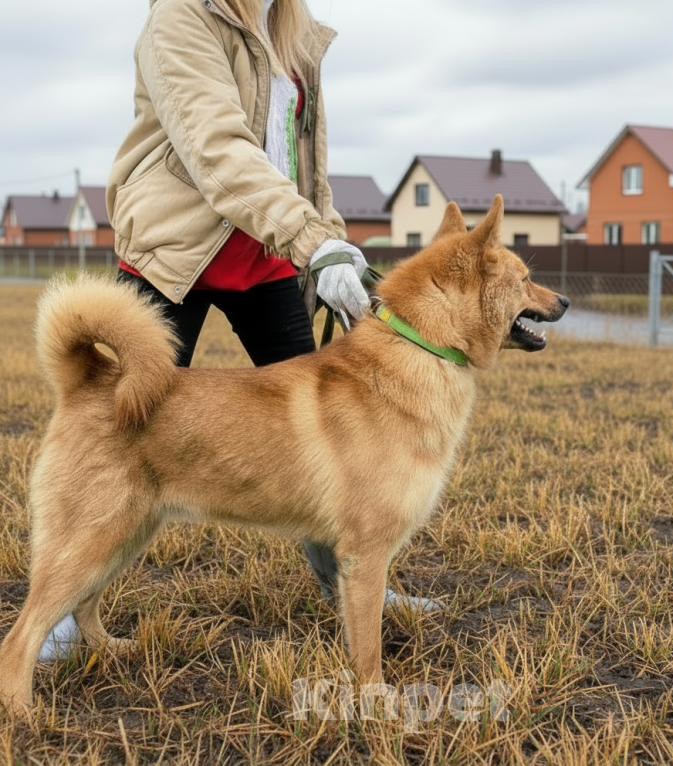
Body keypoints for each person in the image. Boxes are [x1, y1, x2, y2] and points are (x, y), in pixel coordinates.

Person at [40, 0, 435, 662]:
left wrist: (331, 242)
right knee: (119, 435)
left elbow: (307, 164)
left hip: (268, 257)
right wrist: (311, 239)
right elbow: (215, 149)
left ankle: (352, 577)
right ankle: (61, 613)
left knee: (330, 437)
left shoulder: (294, 30)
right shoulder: (180, 18)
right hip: (176, 256)